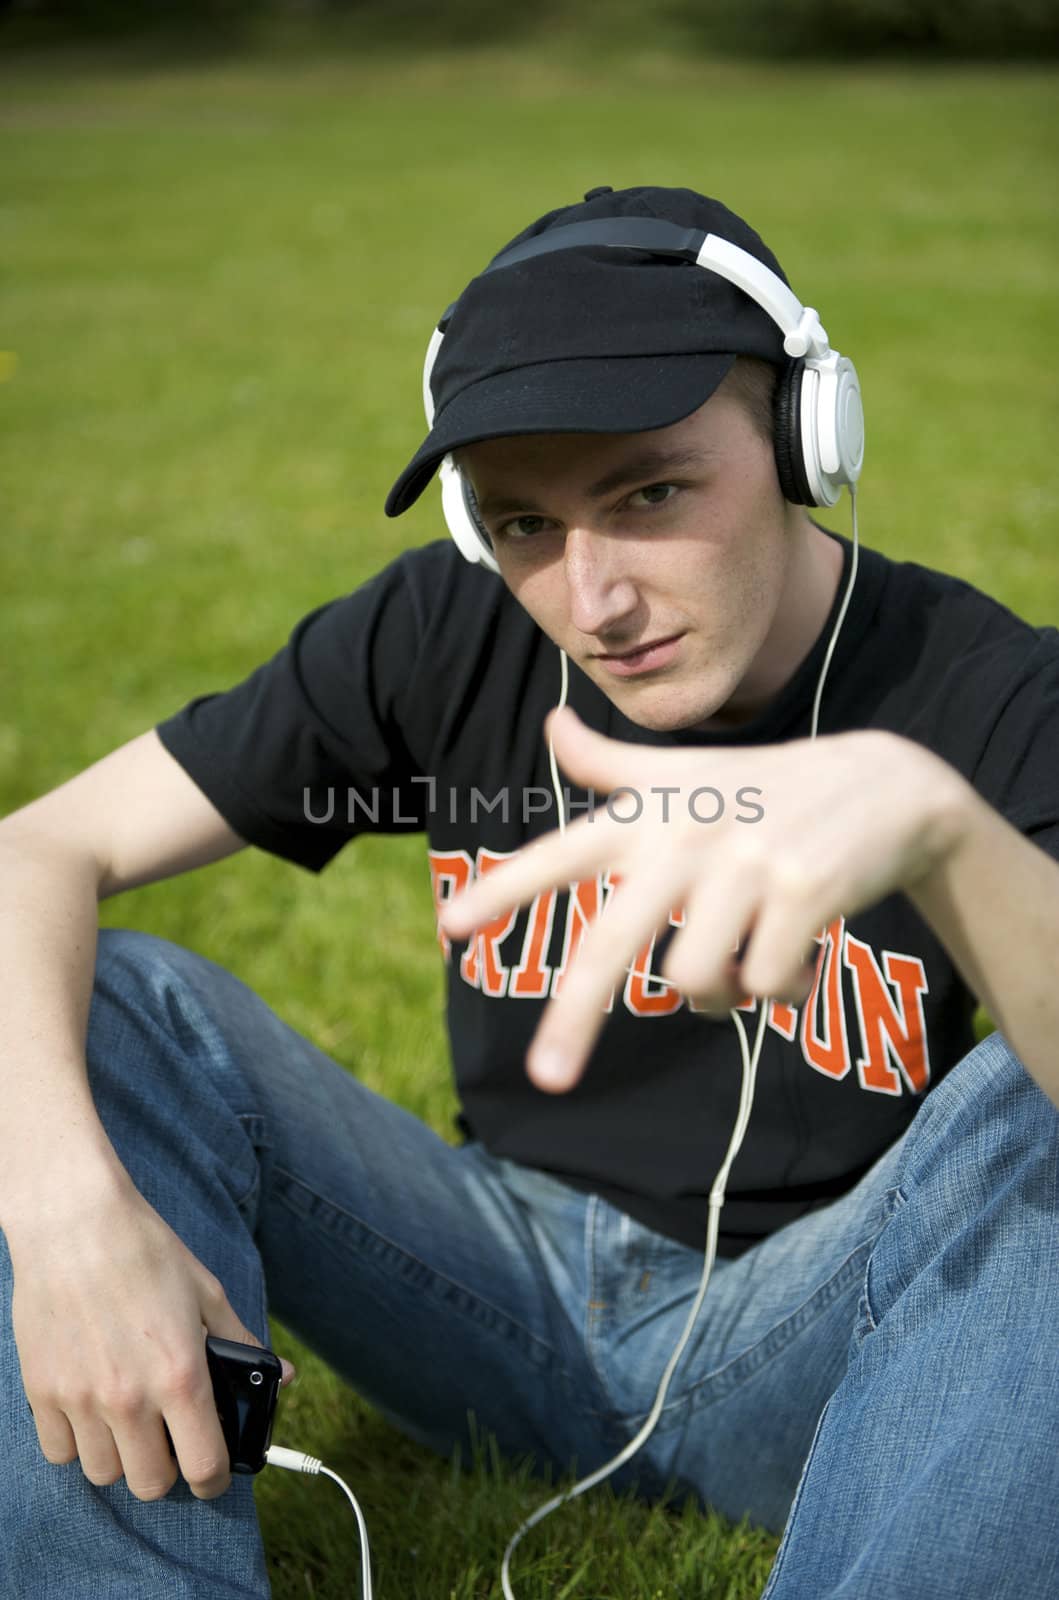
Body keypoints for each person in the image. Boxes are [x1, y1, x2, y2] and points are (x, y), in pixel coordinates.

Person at [0, 184, 1056, 1600]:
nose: (593, 597)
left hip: (817, 1329)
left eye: (653, 493)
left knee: (1029, 1116)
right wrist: (65, 1218)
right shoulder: (449, 631)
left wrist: (943, 831)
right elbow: (34, 854)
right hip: (483, 1284)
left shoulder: (982, 690)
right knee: (115, 1008)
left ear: (810, 438)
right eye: (522, 524)